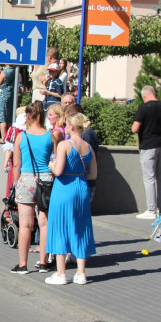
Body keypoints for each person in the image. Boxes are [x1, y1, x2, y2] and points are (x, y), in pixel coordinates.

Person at [44, 112, 97, 285]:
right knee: (80, 227)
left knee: (60, 226)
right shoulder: (88, 147)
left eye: (66, 125)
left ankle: (61, 274)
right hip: (81, 187)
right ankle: (81, 273)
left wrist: (50, 164)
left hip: (64, 187)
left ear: (72, 127)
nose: (65, 128)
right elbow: (93, 174)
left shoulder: (64, 145)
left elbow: (58, 170)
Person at [11, 102, 54, 274]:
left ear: (28, 116)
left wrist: (16, 184)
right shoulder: (50, 136)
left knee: (25, 225)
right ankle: (43, 262)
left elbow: (16, 164)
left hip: (27, 179)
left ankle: (23, 264)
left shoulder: (22, 137)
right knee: (44, 223)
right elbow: (56, 159)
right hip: (46, 179)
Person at [132, 85, 161, 219]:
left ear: (144, 95)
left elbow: (135, 128)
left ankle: (151, 210)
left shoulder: (144, 107)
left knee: (149, 177)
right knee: (160, 177)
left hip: (148, 145)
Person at [0, 64, 15, 139]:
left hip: (3, 94)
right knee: (9, 116)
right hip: (10, 94)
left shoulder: (5, 72)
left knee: (2, 116)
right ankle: (9, 136)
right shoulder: (15, 71)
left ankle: (3, 137)